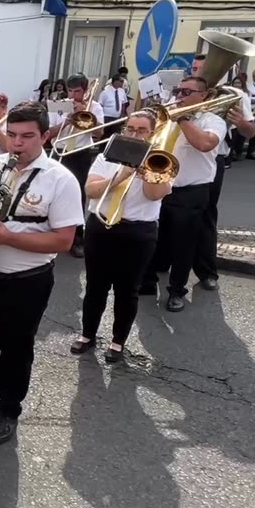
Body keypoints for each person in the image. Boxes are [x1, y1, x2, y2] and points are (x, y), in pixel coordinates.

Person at [0, 101, 82, 445]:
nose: (17, 144)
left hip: (28, 280)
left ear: (46, 136)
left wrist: (10, 237)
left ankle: (9, 410)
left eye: (27, 136)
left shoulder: (61, 179)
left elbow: (65, 240)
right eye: (11, 135)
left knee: (17, 348)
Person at [70, 111, 170, 363]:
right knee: (95, 286)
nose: (134, 134)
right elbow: (90, 190)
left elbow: (154, 195)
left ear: (152, 133)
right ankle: (87, 334)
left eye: (141, 130)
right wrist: (121, 174)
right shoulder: (106, 156)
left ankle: (117, 342)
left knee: (128, 290)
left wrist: (144, 170)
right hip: (100, 227)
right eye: (130, 129)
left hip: (138, 232)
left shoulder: (160, 159)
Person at [141, 76, 227, 312]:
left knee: (183, 245)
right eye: (178, 91)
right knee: (152, 237)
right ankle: (147, 282)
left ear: (205, 95)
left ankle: (176, 291)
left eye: (187, 92)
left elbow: (205, 144)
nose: (180, 96)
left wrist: (183, 119)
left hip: (191, 191)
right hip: (160, 185)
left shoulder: (213, 121)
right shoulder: (166, 116)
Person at [192, 82, 254, 292]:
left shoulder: (233, 95)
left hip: (212, 157)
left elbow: (250, 131)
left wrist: (241, 122)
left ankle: (207, 271)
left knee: (206, 215)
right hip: (177, 154)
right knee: (166, 212)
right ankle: (161, 263)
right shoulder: (181, 88)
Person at [49, 74, 104, 258]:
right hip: (59, 152)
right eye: (70, 91)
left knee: (77, 195)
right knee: (53, 194)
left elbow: (99, 133)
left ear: (85, 90)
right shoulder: (59, 106)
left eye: (77, 91)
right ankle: (52, 233)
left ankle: (77, 239)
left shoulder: (95, 107)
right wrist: (67, 121)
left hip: (80, 154)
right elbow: (48, 133)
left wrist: (86, 115)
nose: (73, 96)